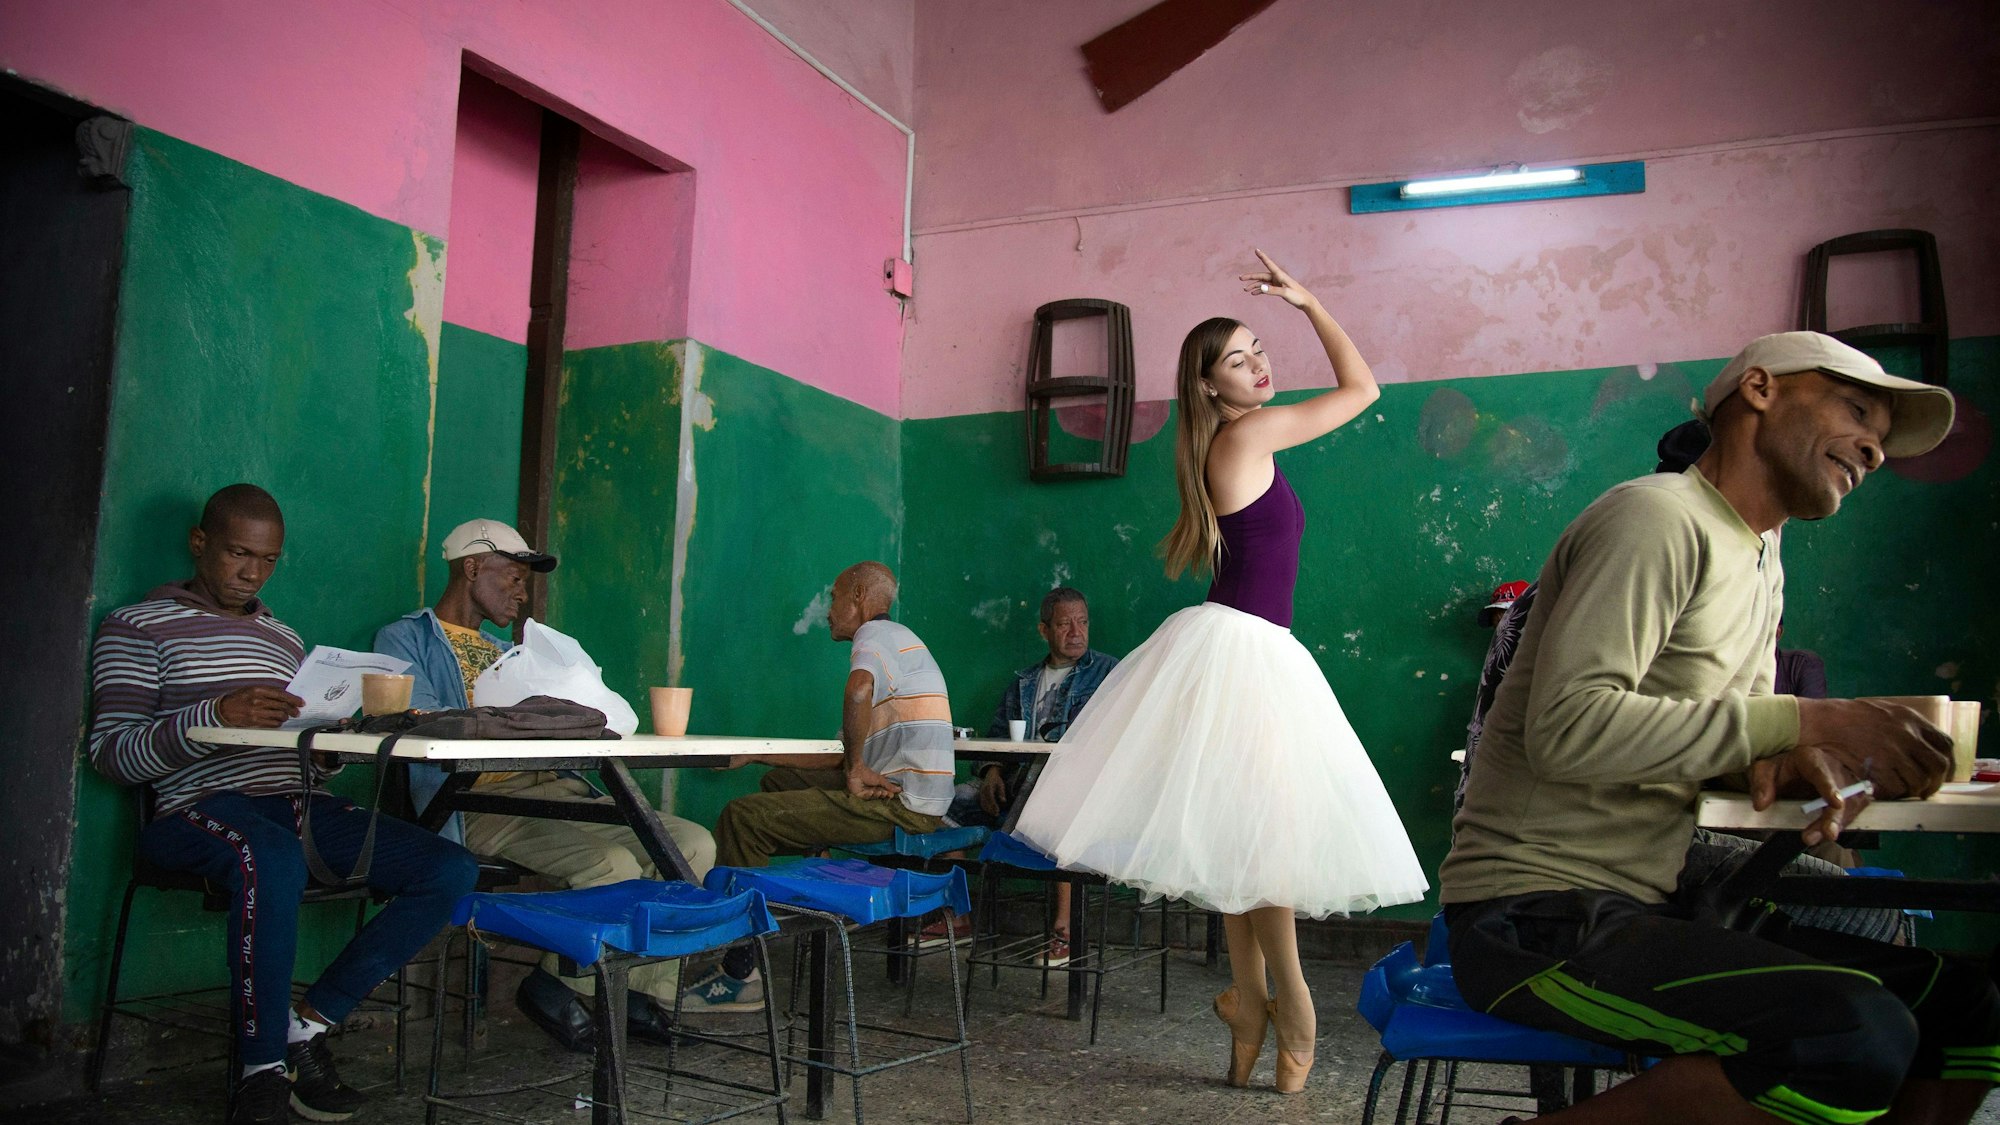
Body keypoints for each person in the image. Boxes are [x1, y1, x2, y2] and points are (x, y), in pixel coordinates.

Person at [1442, 331, 1997, 1124]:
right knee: (1850, 1032)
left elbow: (1715, 738)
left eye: (1881, 435)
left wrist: (1804, 758)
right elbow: (1567, 728)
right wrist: (1803, 718)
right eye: (1857, 409)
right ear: (1762, 390)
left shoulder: (1763, 557)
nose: (1874, 448)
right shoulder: (1657, 517)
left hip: (1648, 895)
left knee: (1964, 1001)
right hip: (1533, 913)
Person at [1013, 251, 1429, 1094]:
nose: (1259, 364)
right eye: (1237, 359)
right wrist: (1312, 302)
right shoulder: (1248, 433)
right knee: (1260, 839)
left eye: (1257, 347)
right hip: (1245, 650)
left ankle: (1247, 999)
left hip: (1249, 648)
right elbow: (1362, 391)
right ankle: (1295, 1004)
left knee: (1245, 839)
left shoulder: (1239, 438)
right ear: (1209, 388)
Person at [90, 484, 479, 1125]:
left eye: (267, 560)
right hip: (194, 809)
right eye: (237, 553)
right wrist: (211, 714)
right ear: (199, 544)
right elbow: (112, 755)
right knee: (271, 859)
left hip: (294, 804)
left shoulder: (283, 639)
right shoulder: (137, 627)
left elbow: (299, 754)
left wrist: (331, 747)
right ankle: (261, 1070)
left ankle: (307, 1028)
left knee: (447, 868)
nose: (251, 572)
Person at [373, 518, 715, 1051]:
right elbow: (409, 721)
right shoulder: (407, 638)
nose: (521, 589)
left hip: (555, 790)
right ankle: (558, 987)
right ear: (471, 568)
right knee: (613, 865)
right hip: (479, 801)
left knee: (692, 843)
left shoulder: (514, 650)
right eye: (511, 575)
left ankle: (634, 995)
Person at [682, 561, 955, 1012]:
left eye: (834, 598)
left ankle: (740, 970)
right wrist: (756, 754)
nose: (829, 611)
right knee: (776, 781)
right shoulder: (901, 643)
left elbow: (855, 695)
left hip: (903, 804)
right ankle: (818, 892)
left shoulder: (875, 638)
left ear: (860, 597)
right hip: (911, 791)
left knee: (742, 817)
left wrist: (855, 771)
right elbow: (839, 754)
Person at [939, 586, 1118, 963]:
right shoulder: (1024, 681)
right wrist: (990, 773)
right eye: (1064, 624)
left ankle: (1065, 931)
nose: (1076, 632)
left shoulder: (1108, 674)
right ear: (1044, 630)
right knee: (944, 803)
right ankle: (957, 918)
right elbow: (1000, 735)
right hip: (1017, 784)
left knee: (1055, 799)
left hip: (1075, 789)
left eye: (1082, 622)